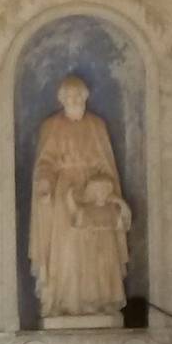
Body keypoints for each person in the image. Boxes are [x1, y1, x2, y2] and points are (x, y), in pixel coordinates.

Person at [28, 73, 131, 323]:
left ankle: (98, 302)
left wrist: (104, 190)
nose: (74, 100)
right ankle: (65, 303)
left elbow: (107, 165)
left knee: (98, 251)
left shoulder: (97, 125)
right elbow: (45, 162)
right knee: (67, 250)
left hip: (97, 195)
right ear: (62, 99)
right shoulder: (51, 126)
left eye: (78, 96)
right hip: (65, 195)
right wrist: (45, 183)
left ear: (85, 97)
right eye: (69, 96)